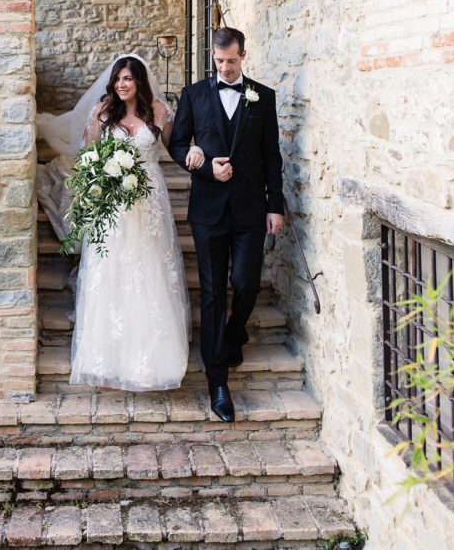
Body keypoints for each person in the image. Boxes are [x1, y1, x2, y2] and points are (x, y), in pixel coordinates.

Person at [37, 54, 190, 391]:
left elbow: (176, 149)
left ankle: (150, 362)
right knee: (112, 272)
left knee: (148, 274)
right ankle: (106, 360)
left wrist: (199, 157)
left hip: (149, 203)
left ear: (140, 82)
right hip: (113, 206)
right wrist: (99, 180)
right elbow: (88, 156)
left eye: (128, 79)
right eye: (118, 79)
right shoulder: (103, 113)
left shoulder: (159, 112)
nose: (122, 85)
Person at [168, 26, 284, 422]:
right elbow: (178, 144)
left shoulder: (263, 97)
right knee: (214, 291)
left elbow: (272, 156)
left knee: (248, 283)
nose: (225, 67)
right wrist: (200, 165)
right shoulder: (195, 94)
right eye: (219, 62)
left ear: (243, 55)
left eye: (231, 61)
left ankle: (235, 334)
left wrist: (276, 205)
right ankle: (217, 380)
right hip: (208, 210)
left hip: (251, 209)